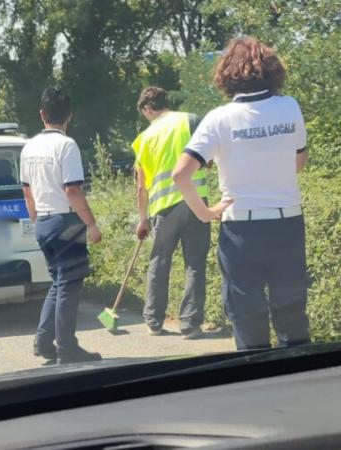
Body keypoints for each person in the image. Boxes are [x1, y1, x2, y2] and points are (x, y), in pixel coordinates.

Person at [172, 36, 310, 350]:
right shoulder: (290, 107)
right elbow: (298, 163)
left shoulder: (218, 119)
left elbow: (181, 174)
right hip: (287, 223)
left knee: (247, 315)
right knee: (292, 313)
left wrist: (206, 213)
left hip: (240, 229)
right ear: (272, 70)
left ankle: (256, 383)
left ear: (226, 74)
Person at [20, 86, 103, 365]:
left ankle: (44, 341)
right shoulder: (66, 145)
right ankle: (66, 347)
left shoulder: (29, 146)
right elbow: (73, 190)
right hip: (66, 220)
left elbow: (27, 191)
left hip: (43, 220)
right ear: (70, 115)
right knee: (69, 285)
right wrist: (91, 224)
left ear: (41, 114)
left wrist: (36, 219)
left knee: (58, 282)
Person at [132, 87, 210, 339]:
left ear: (147, 108)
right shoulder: (191, 120)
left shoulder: (144, 138)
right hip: (196, 202)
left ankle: (154, 321)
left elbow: (141, 186)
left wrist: (143, 219)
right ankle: (189, 324)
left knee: (159, 262)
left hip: (164, 209)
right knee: (195, 264)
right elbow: (208, 160)